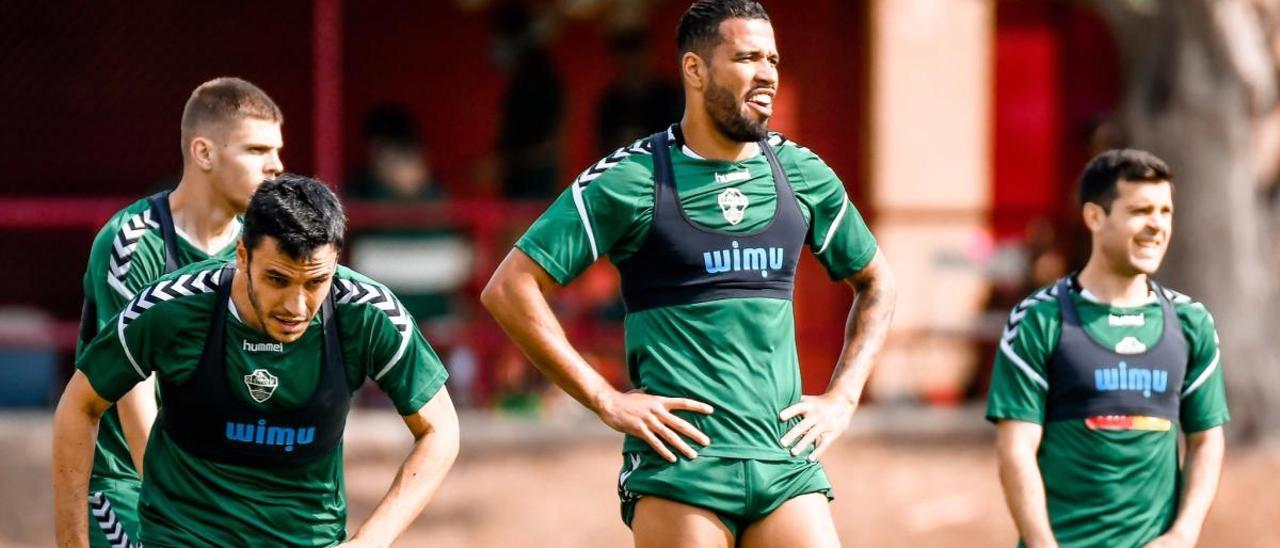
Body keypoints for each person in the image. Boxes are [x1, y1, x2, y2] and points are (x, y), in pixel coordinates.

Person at [481, 2, 896, 546]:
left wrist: (843, 396)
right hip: (681, 470)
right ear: (695, 70)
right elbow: (510, 288)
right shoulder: (632, 178)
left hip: (785, 463)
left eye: (772, 58)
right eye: (746, 57)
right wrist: (605, 399)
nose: (767, 72)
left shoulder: (801, 172)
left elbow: (877, 283)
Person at [54, 175, 459, 546]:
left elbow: (440, 428)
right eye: (278, 280)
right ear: (243, 256)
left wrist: (369, 541)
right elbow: (80, 403)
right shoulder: (174, 306)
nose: (297, 305)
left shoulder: (366, 312)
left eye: (317, 281)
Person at [73, 76, 283, 548]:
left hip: (220, 483)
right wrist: (191, 514)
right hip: (130, 481)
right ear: (204, 153)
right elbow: (133, 398)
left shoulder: (261, 245)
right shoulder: (133, 242)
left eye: (277, 151)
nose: (276, 166)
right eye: (256, 150)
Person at [987, 150, 1228, 547]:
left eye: (1165, 211)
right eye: (1140, 210)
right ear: (1095, 217)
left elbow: (1206, 440)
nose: (1157, 225)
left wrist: (1183, 534)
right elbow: (1016, 450)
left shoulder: (1190, 323)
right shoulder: (1039, 321)